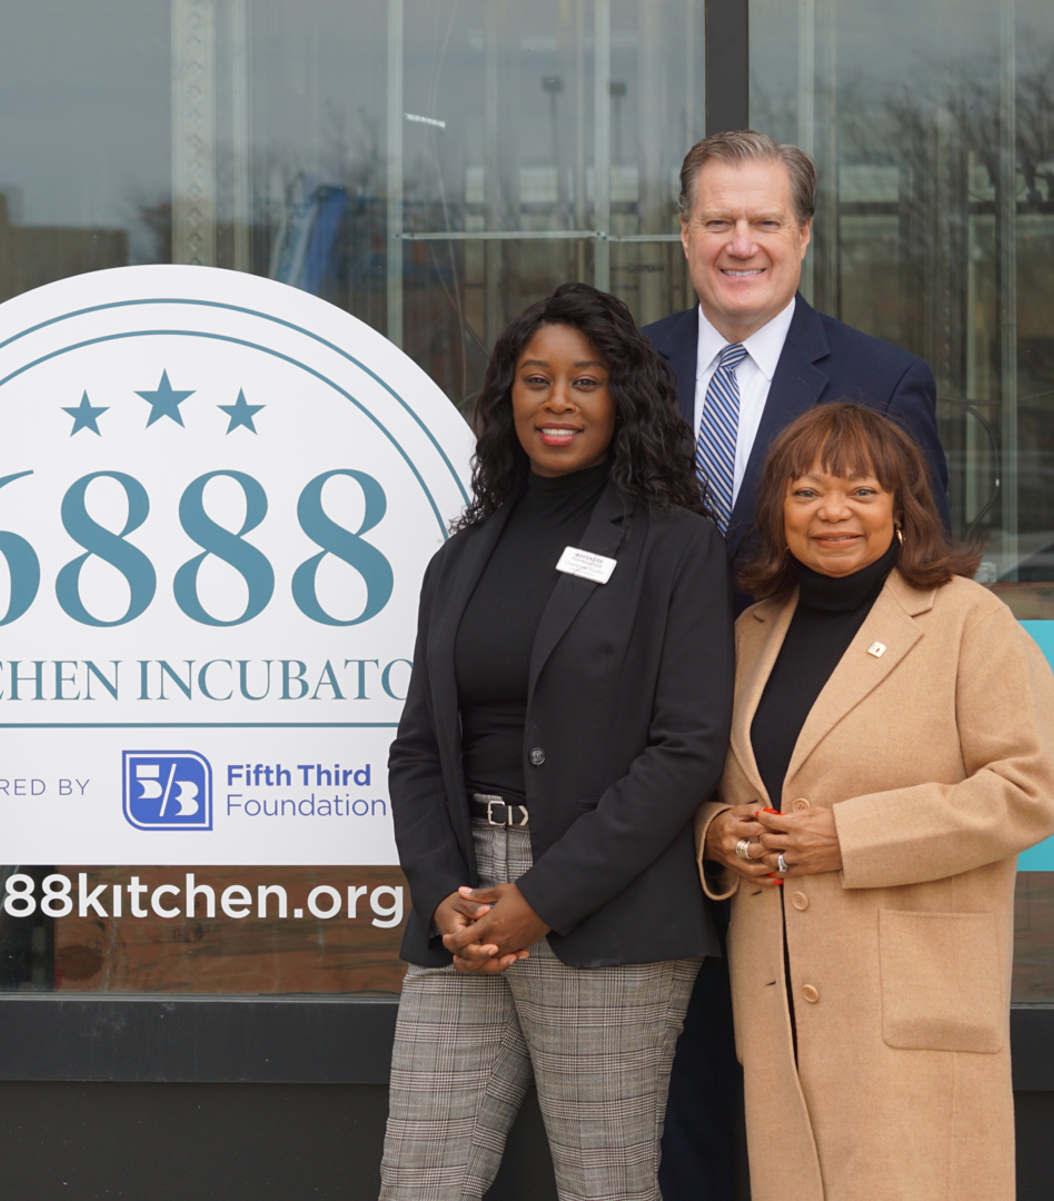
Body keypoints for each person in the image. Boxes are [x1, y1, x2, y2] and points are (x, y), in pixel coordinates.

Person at [644, 129, 952, 1200]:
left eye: (764, 221)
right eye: (718, 221)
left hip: (807, 817)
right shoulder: (624, 376)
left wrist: (855, 817)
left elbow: (916, 597)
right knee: (677, 1096)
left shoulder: (880, 378)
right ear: (683, 234)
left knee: (820, 1103)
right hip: (656, 810)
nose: (741, 244)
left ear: (805, 236)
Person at [380, 282, 734, 1200]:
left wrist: (541, 896)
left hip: (602, 911)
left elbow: (686, 750)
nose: (558, 401)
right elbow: (420, 746)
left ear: (625, 397)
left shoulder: (677, 547)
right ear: (508, 398)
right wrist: (441, 893)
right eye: (536, 380)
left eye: (586, 380)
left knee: (605, 1185)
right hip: (463, 906)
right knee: (419, 1178)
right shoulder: (463, 554)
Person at [697, 402, 1054, 1201]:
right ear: (777, 512)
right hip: (781, 1011)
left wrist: (850, 837)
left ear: (902, 507)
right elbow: (713, 786)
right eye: (807, 492)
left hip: (913, 1015)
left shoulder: (971, 621)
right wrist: (720, 832)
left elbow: (1027, 791)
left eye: (861, 490)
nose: (833, 512)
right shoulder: (750, 633)